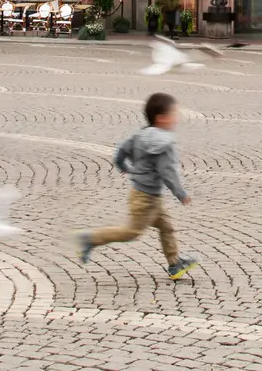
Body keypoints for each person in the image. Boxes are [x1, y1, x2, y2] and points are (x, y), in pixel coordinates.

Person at [76, 91, 198, 281]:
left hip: (142, 194)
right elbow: (168, 173)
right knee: (131, 232)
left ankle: (174, 263)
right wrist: (181, 194)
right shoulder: (165, 145)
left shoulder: (140, 135)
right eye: (173, 114)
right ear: (161, 118)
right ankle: (89, 238)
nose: (177, 118)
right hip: (147, 199)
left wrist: (123, 166)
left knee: (167, 227)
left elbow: (121, 150)